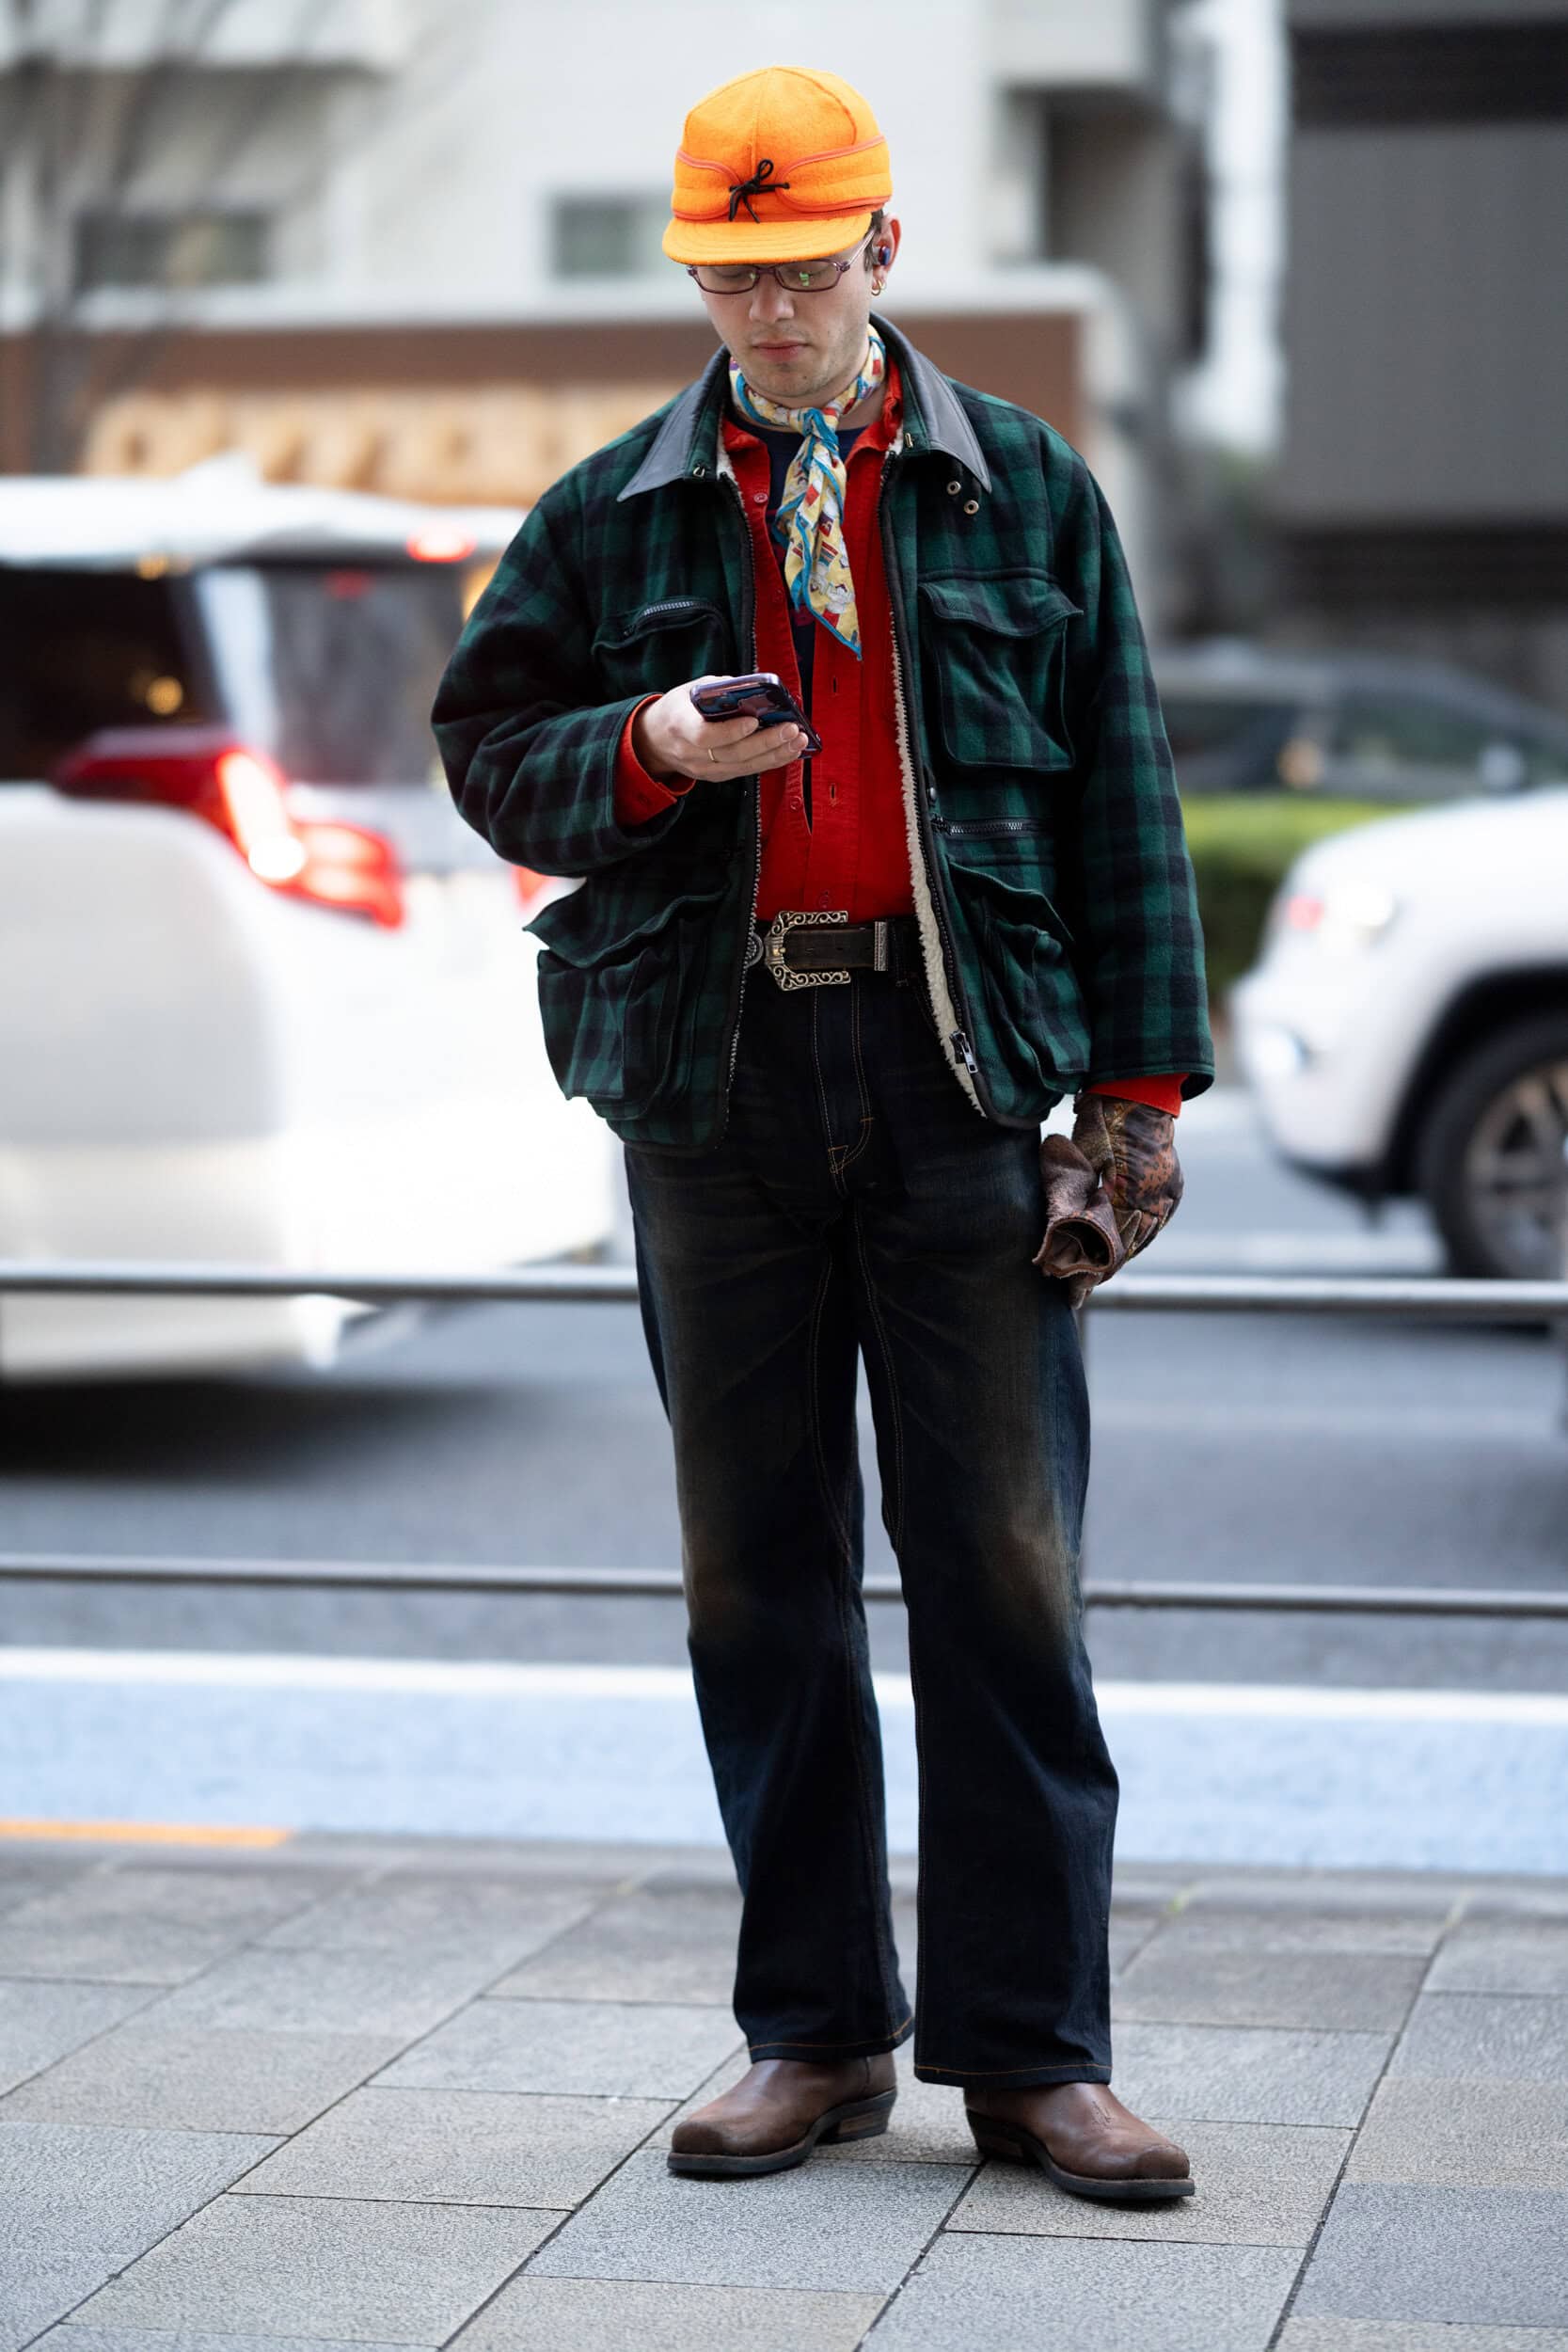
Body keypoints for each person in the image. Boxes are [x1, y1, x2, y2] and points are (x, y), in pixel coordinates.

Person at [434, 63, 1212, 2201]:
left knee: (1007, 1576)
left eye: (801, 269)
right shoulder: (613, 507)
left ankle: (1036, 2056)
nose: (769, 311)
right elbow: (486, 751)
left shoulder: (1023, 483)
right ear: (694, 270)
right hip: (715, 1084)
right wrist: (646, 747)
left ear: (883, 249)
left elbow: (1124, 798)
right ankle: (814, 2034)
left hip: (961, 1081)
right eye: (731, 275)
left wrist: (1135, 1103)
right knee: (756, 1582)